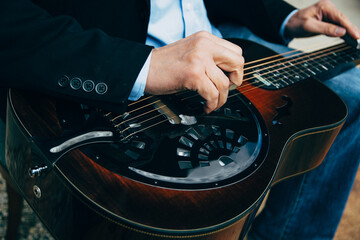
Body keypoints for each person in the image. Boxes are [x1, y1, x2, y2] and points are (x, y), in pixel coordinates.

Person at [0, 0, 359, 239]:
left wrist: (284, 15)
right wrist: (140, 67)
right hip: (114, 66)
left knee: (354, 93)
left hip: (220, 45)